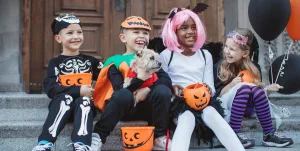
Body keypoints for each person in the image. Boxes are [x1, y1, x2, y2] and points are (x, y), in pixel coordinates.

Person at [160, 8, 245, 151]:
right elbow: (162, 83)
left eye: (194, 27)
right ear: (174, 31)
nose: (190, 32)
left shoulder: (205, 55)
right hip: (178, 104)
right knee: (187, 117)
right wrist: (174, 89)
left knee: (211, 113)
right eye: (184, 28)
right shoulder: (167, 55)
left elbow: (211, 87)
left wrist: (205, 90)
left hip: (203, 101)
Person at [91, 16, 172, 151]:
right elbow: (118, 90)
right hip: (125, 109)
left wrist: (146, 89)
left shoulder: (152, 57)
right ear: (123, 38)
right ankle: (98, 136)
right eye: (136, 32)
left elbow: (165, 80)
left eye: (145, 33)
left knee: (163, 90)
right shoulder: (116, 61)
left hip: (148, 108)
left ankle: (159, 137)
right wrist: (140, 79)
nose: (141, 36)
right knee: (122, 94)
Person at [214, 28, 294, 148]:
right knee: (245, 88)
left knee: (256, 90)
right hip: (226, 107)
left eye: (232, 49)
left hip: (246, 108)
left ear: (245, 53)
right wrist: (231, 85)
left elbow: (258, 97)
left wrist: (267, 91)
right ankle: (233, 134)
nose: (227, 51)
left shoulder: (255, 68)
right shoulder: (219, 66)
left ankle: (268, 134)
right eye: (226, 47)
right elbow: (216, 96)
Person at [32, 14, 102, 151]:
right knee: (65, 98)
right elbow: (51, 88)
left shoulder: (92, 61)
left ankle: (82, 145)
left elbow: (106, 75)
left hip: (84, 109)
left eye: (79, 32)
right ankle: (45, 143)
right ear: (58, 38)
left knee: (84, 101)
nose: (76, 36)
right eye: (70, 33)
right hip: (61, 107)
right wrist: (78, 90)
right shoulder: (55, 63)